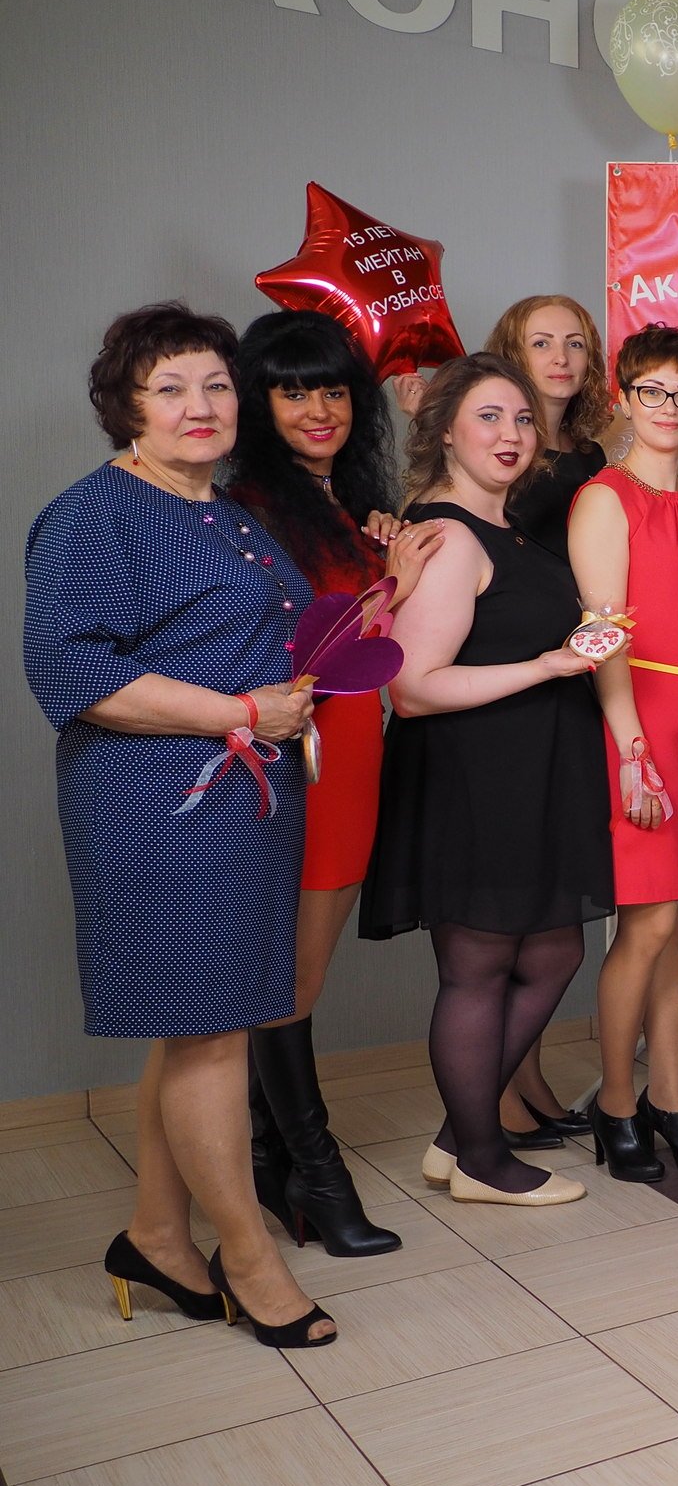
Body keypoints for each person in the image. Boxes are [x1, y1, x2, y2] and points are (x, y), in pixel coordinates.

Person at [25, 302, 333, 1347]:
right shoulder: (93, 515)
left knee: (204, 1023)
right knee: (207, 1032)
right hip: (159, 803)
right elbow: (70, 670)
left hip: (244, 798)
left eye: (215, 385)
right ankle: (247, 1258)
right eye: (170, 389)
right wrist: (242, 710)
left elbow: (247, 635)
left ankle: (157, 1237)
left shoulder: (226, 509)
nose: (199, 406)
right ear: (127, 409)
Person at [360, 353, 613, 1207]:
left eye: (522, 419)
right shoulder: (446, 536)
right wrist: (545, 666)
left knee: (552, 950)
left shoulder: (504, 530)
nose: (511, 434)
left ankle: (457, 1139)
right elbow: (412, 688)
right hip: (476, 778)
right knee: (480, 966)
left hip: (528, 774)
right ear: (443, 432)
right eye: (489, 417)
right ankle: (481, 1159)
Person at [228, 309, 436, 1257]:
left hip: (354, 756)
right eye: (293, 390)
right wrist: (388, 581)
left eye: (334, 389)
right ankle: (316, 1173)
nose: (319, 409)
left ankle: (271, 1157)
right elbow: (290, 651)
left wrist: (383, 558)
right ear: (258, 402)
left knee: (296, 972)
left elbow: (369, 640)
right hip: (296, 762)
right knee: (289, 980)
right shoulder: (249, 511)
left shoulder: (343, 505)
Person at [568, 326, 678, 1181]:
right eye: (652, 390)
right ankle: (616, 1102)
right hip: (639, 718)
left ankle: (672, 1100)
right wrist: (632, 749)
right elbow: (603, 638)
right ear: (623, 398)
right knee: (648, 924)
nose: (669, 407)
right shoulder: (605, 498)